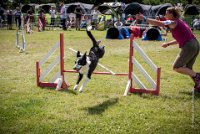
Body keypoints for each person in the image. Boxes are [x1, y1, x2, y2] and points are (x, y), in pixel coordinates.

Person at [136, 7, 200, 92]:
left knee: (177, 67)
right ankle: (199, 86)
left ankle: (197, 76)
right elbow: (181, 38)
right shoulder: (179, 22)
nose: (165, 15)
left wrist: (144, 18)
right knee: (188, 68)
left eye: (166, 13)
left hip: (189, 46)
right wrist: (168, 43)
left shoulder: (172, 22)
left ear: (171, 14)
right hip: (195, 44)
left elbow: (159, 23)